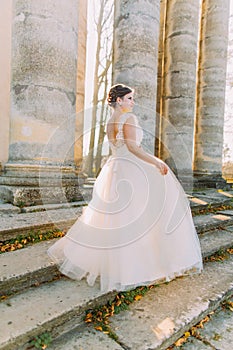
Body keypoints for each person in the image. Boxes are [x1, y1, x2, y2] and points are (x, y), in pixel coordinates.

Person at [48, 84, 203, 292]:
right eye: (129, 98)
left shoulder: (110, 121)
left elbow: (118, 147)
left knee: (116, 216)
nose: (133, 102)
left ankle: (116, 264)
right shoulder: (128, 119)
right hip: (131, 168)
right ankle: (141, 265)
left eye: (133, 98)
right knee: (141, 213)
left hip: (115, 168)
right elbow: (132, 147)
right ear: (119, 100)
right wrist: (156, 162)